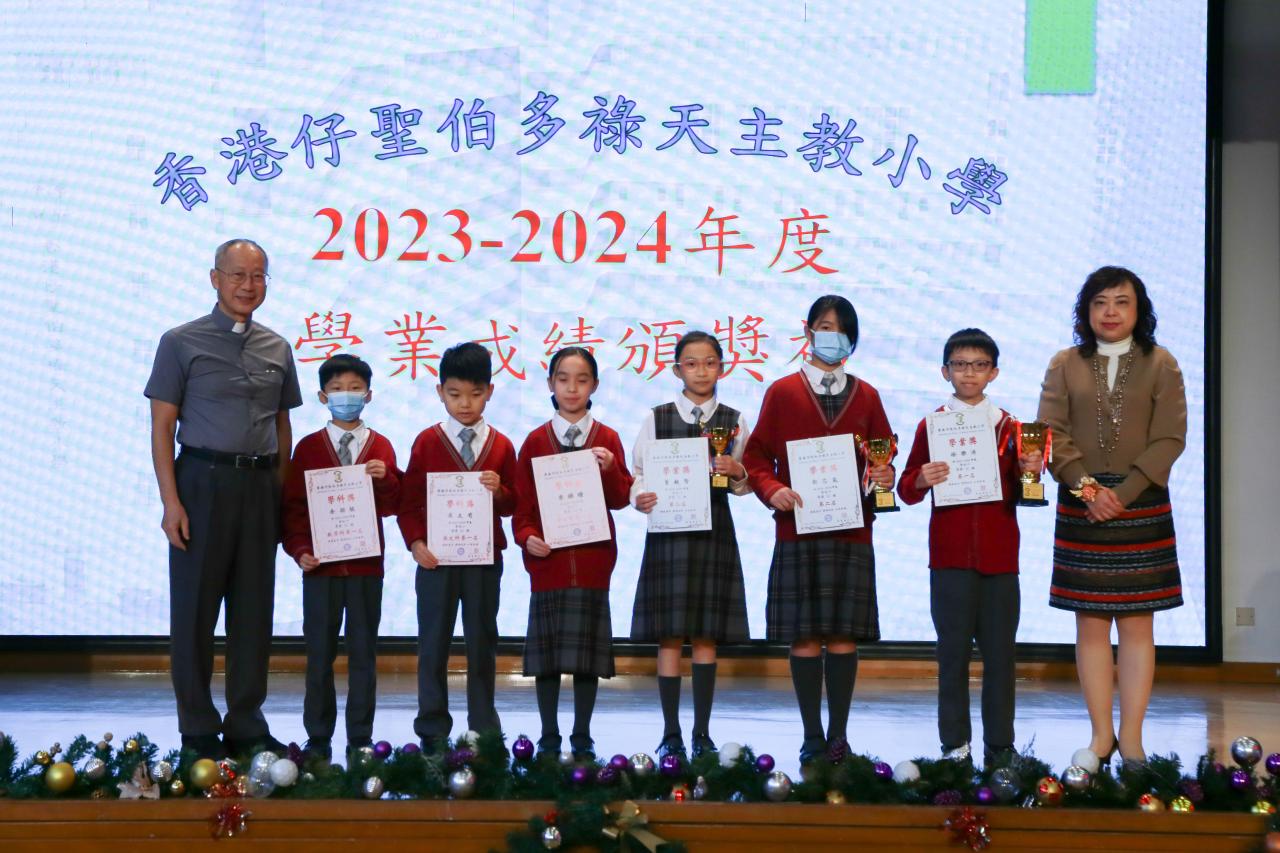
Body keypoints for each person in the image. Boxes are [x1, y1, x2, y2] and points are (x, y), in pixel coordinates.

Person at [144, 238, 301, 759]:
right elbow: (162, 427)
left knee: (254, 612)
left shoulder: (278, 347)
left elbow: (283, 427)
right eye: (237, 275)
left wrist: (279, 495)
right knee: (194, 612)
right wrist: (171, 502)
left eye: (258, 276)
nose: (247, 286)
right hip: (201, 482)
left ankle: (246, 723)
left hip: (259, 486)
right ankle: (197, 728)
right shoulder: (179, 342)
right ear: (215, 278)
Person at [1036, 266, 1187, 771]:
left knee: (1139, 625)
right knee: (1091, 624)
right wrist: (1088, 490)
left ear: (1139, 310)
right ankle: (1101, 737)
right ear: (1086, 310)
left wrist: (1120, 494)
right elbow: (1050, 433)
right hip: (1083, 503)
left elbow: (1170, 438)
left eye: (1122, 302)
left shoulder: (1162, 363)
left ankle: (1134, 740)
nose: (1110, 312)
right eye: (1100, 302)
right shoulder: (1065, 363)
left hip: (1142, 501)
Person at [743, 294, 894, 765]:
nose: (834, 336)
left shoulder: (868, 395)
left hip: (851, 531)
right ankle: (811, 736)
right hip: (798, 529)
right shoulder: (782, 392)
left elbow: (883, 455)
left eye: (843, 329)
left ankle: (839, 737)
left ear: (853, 340)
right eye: (826, 327)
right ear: (808, 332)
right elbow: (755, 456)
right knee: (805, 636)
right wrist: (772, 489)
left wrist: (884, 474)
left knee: (844, 635)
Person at [897, 328, 1042, 767]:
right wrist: (921, 478)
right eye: (960, 365)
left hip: (1000, 561)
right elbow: (905, 489)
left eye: (979, 365)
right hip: (950, 560)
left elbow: (1025, 491)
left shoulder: (1012, 428)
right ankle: (955, 747)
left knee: (1000, 658)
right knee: (952, 655)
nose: (969, 373)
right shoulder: (932, 425)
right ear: (945, 371)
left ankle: (1000, 748)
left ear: (994, 372)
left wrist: (1031, 470)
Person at [629, 331, 752, 759]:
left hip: (714, 532)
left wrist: (737, 471)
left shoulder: (735, 419)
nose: (701, 371)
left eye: (710, 362)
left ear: (723, 367)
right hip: (669, 533)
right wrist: (638, 497)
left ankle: (701, 733)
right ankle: (670, 732)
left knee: (705, 636)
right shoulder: (657, 417)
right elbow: (638, 473)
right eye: (692, 363)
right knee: (669, 636)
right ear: (676, 369)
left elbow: (745, 483)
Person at [513, 347, 633, 760]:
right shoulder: (535, 441)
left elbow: (620, 499)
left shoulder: (607, 439)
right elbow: (522, 508)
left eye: (582, 380)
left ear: (594, 386)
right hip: (549, 564)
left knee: (587, 658)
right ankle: (548, 735)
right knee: (546, 658)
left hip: (593, 562)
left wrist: (611, 468)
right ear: (550, 383)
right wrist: (527, 537)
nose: (572, 388)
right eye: (563, 379)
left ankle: (582, 736)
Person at [398, 342, 518, 752]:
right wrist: (416, 543)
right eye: (455, 394)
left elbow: (514, 503)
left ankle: (483, 726)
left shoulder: (501, 445)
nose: (465, 404)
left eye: (475, 393)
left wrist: (500, 490)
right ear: (440, 392)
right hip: (436, 561)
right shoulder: (427, 442)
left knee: (482, 642)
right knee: (433, 643)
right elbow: (409, 501)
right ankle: (432, 729)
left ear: (490, 392)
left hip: (484, 561)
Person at [281, 354, 401, 762]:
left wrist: (387, 479)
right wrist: (300, 550)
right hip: (321, 570)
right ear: (322, 396)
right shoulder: (308, 448)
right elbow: (293, 509)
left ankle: (360, 736)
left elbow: (394, 505)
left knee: (364, 655)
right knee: (319, 655)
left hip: (366, 568)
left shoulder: (380, 446)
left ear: (368, 395)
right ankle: (317, 737)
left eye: (354, 389)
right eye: (336, 389)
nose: (345, 396)